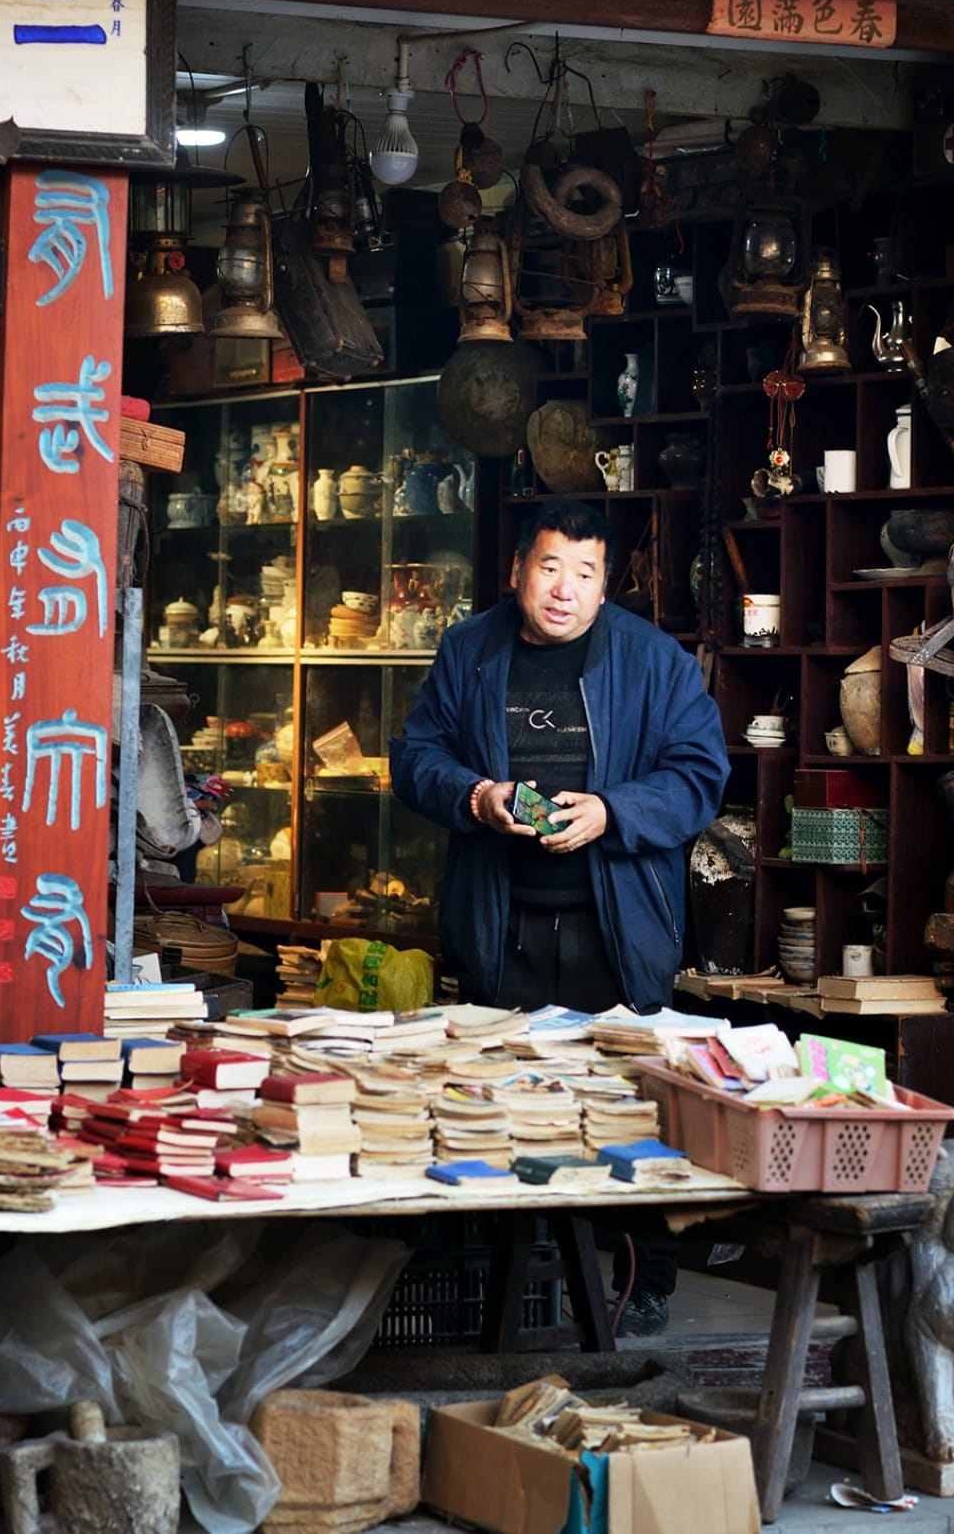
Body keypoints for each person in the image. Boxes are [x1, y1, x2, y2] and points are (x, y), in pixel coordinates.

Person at [390, 497, 730, 1332]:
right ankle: (514, 1284)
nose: (565, 590)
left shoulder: (656, 663)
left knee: (627, 1100)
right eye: (549, 568)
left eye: (584, 573)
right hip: (500, 925)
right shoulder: (469, 651)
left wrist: (611, 811)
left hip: (616, 928)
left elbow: (699, 776)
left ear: (605, 583)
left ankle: (645, 1280)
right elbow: (414, 759)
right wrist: (477, 795)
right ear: (517, 572)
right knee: (499, 1104)